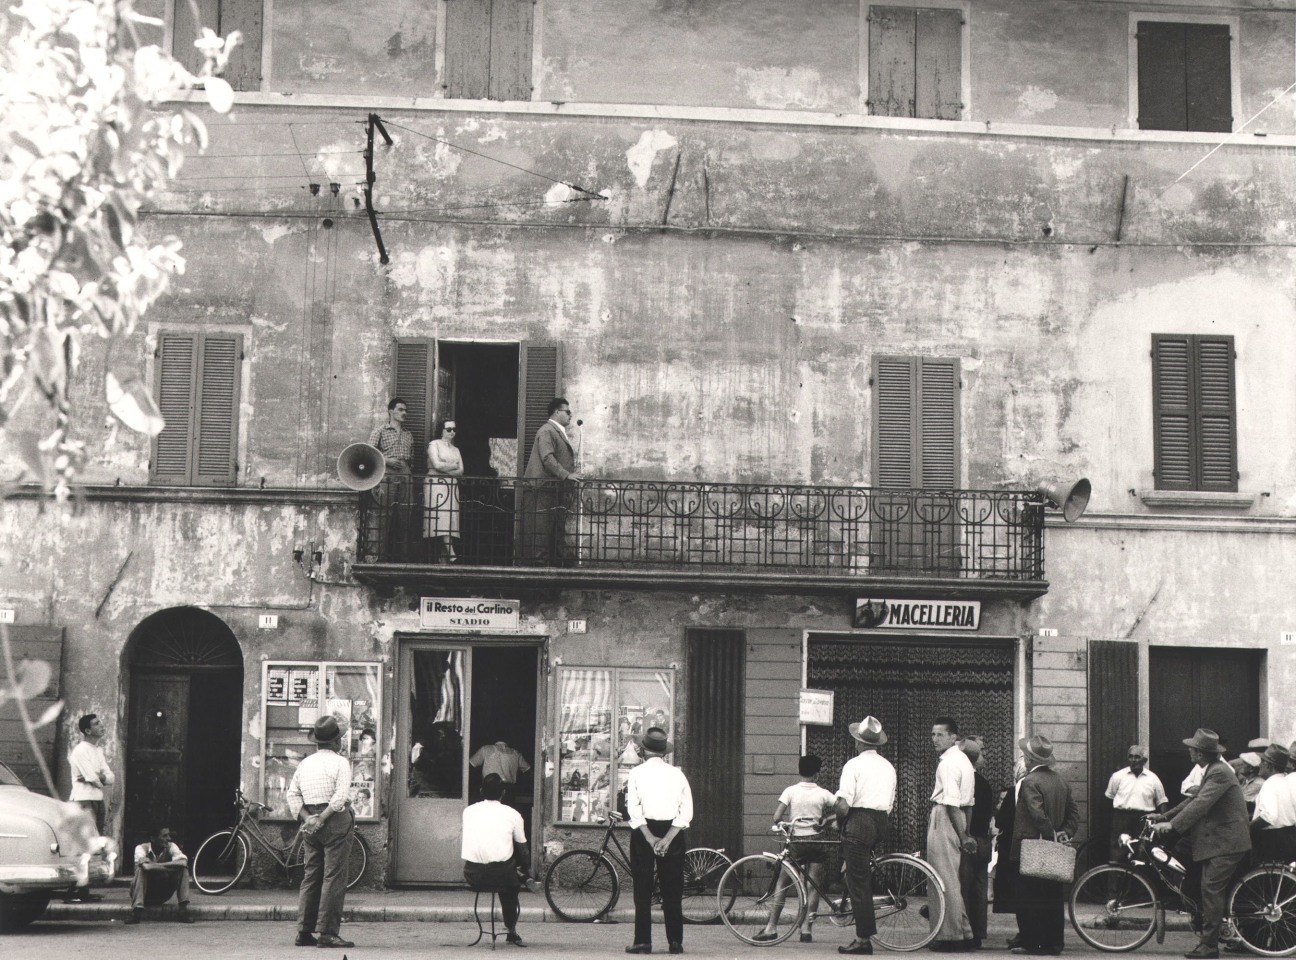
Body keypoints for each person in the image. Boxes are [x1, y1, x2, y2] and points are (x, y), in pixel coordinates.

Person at [1151, 728, 1251, 960]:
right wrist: (1164, 817)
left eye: (1193, 748)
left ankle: (1209, 948)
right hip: (1218, 842)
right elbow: (1193, 799)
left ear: (1201, 753)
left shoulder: (1219, 773)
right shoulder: (1213, 770)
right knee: (1207, 889)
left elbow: (1201, 804)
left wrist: (1173, 826)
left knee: (1211, 891)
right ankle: (1208, 941)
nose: (1189, 751)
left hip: (1226, 843)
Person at [286, 716, 355, 949]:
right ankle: (327, 932)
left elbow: (292, 795)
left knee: (311, 875)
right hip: (333, 821)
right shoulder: (340, 763)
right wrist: (322, 819)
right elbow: (339, 798)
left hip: (310, 823)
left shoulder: (305, 764)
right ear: (336, 742)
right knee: (333, 877)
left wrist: (309, 819)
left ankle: (304, 931)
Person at [753, 754, 837, 944]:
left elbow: (777, 816)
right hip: (816, 841)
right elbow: (839, 807)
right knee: (813, 885)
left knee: (782, 883)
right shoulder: (823, 793)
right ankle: (806, 929)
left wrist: (785, 824)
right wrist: (826, 821)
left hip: (796, 842)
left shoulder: (790, 791)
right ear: (817, 772)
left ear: (799, 770)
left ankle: (771, 928)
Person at [623, 726, 692, 956]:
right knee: (672, 889)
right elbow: (686, 813)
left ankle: (642, 941)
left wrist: (651, 838)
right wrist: (668, 839)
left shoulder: (636, 773)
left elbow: (633, 809)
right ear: (665, 752)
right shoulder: (678, 774)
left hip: (644, 833)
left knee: (642, 888)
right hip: (672, 831)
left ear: (643, 749)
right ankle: (675, 942)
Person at [833, 716, 897, 956]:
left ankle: (862, 940)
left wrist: (839, 823)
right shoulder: (888, 766)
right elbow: (889, 802)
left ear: (858, 742)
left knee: (858, 881)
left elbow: (843, 805)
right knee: (860, 874)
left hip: (859, 823)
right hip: (880, 822)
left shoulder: (853, 765)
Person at [1011, 735, 1078, 957]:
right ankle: (1054, 943)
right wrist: (1063, 835)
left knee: (1028, 896)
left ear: (1030, 759)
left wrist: (1050, 834)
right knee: (1052, 896)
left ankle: (1032, 943)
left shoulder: (1031, 781)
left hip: (1031, 846)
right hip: (1054, 847)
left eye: (1024, 756)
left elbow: (1037, 814)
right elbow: (1073, 815)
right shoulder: (1061, 781)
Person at [462, 773, 532, 947]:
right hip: (503, 875)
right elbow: (523, 850)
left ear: (480, 791)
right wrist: (525, 868)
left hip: (473, 874)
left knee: (504, 868)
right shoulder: (513, 814)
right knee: (510, 884)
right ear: (503, 793)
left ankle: (513, 874)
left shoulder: (469, 811)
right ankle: (511, 929)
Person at [928, 716, 976, 952]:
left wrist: (964, 836)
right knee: (951, 878)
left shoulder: (947, 763)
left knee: (942, 878)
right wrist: (965, 832)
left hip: (945, 817)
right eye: (933, 734)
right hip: (958, 820)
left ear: (954, 736)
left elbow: (952, 803)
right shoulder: (964, 761)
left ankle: (950, 936)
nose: (935, 739)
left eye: (940, 734)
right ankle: (963, 932)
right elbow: (968, 804)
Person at [520, 397, 582, 564]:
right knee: (540, 535)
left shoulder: (556, 431)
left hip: (552, 490)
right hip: (542, 490)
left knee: (553, 535)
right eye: (567, 412)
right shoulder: (547, 430)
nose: (571, 415)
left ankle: (550, 578)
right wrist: (566, 475)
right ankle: (539, 578)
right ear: (557, 412)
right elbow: (547, 458)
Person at [65, 713, 113, 903]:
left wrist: (98, 778)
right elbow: (93, 777)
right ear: (87, 730)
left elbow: (110, 777)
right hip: (83, 800)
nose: (101, 725)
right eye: (96, 723)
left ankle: (83, 889)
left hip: (96, 800)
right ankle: (74, 889)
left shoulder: (97, 751)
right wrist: (98, 779)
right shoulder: (79, 751)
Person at [959, 737, 995, 950]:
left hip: (969, 840)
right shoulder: (984, 783)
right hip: (984, 840)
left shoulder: (965, 781)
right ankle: (979, 933)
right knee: (980, 889)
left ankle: (966, 933)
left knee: (963, 886)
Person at [367, 397, 414, 559]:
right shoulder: (379, 431)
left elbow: (412, 457)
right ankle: (375, 557)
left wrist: (406, 469)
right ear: (391, 411)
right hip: (386, 473)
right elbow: (369, 454)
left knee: (405, 515)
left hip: (406, 474)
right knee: (382, 515)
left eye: (405, 410)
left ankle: (403, 558)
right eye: (401, 410)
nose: (404, 413)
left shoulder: (409, 434)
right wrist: (387, 461)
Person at [1105, 744, 1169, 862]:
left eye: (1137, 757)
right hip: (1122, 819)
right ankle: (1115, 880)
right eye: (1131, 757)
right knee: (1118, 854)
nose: (1133, 760)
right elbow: (1109, 798)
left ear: (1144, 760)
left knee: (1141, 855)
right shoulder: (1118, 776)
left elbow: (1162, 801)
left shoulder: (1153, 778)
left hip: (1143, 821)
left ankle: (1138, 881)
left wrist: (1163, 821)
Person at [993, 757, 1029, 949]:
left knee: (1018, 892)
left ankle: (1024, 934)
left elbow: (1001, 822)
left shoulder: (1015, 791)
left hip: (1012, 846)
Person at [126, 826, 194, 924]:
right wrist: (171, 866)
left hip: (162, 892)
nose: (169, 839)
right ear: (153, 838)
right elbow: (146, 867)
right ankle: (136, 912)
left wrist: (156, 865)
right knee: (141, 870)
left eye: (169, 835)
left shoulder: (171, 846)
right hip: (145, 893)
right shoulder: (141, 848)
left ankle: (183, 910)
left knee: (183, 869)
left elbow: (183, 863)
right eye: (164, 836)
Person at [425, 418, 464, 563]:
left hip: (451, 486)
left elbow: (461, 471)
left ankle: (445, 557)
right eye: (449, 429)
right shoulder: (434, 444)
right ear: (441, 430)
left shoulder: (456, 449)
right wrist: (452, 466)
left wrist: (444, 467)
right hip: (436, 485)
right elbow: (436, 464)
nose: (452, 432)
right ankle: (451, 554)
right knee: (439, 518)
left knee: (449, 520)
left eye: (454, 429)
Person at [1250, 743, 1295, 864]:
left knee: (1265, 878)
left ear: (1269, 766)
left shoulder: (1270, 784)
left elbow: (1269, 816)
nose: (1259, 765)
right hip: (1289, 837)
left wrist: (1248, 828)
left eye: (1262, 762)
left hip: (1271, 840)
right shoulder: (1286, 782)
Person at [469, 740, 532, 805]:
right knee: (507, 813)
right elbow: (528, 770)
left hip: (490, 787)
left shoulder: (486, 749)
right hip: (509, 791)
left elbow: (470, 765)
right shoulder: (516, 753)